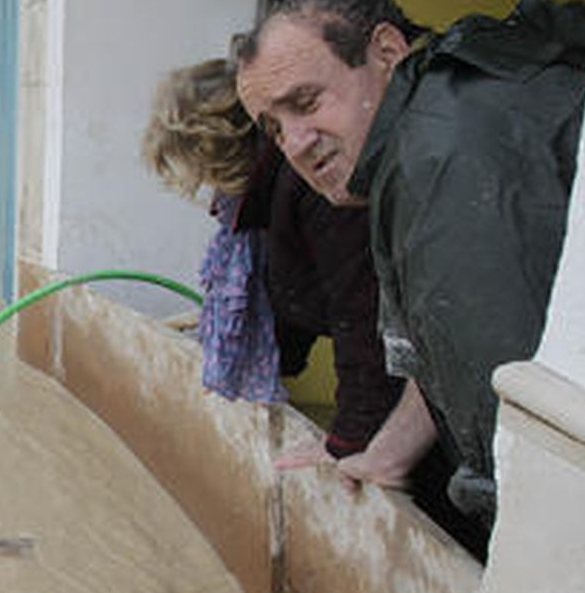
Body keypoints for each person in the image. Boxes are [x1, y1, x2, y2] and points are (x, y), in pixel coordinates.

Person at [234, 0, 585, 543]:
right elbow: (442, 352)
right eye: (275, 128)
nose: (296, 144)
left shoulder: (447, 160)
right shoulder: (437, 118)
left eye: (306, 103)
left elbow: (506, 421)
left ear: (386, 52)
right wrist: (387, 454)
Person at [143, 59, 404, 465]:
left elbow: (362, 314)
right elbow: (289, 287)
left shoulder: (313, 184)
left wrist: (349, 440)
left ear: (214, 150)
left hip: (412, 382)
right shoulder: (261, 204)